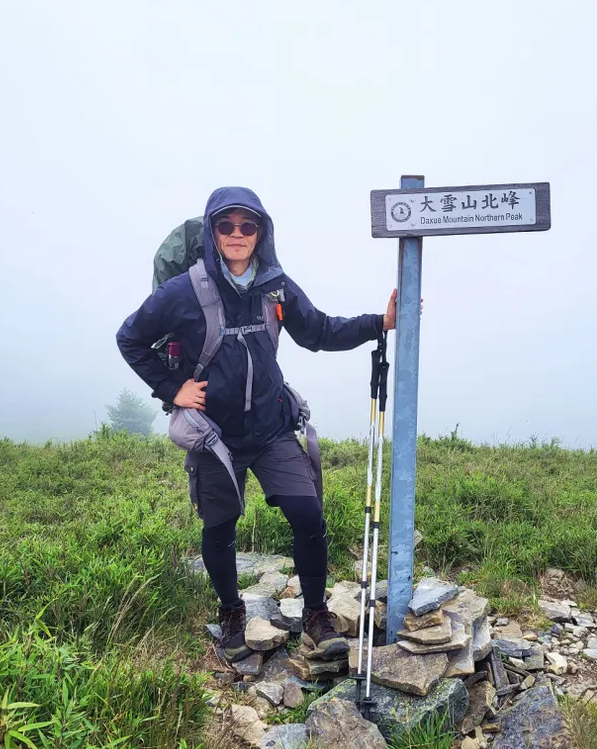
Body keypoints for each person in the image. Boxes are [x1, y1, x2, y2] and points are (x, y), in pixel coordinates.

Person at [116, 186, 396, 662]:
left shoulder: (275, 286)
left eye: (248, 226)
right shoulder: (183, 290)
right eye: (227, 225)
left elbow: (320, 331)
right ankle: (230, 610)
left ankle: (315, 614)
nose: (238, 234)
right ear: (212, 232)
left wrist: (378, 322)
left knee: (308, 516)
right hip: (215, 436)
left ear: (261, 232)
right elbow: (130, 338)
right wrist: (172, 389)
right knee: (220, 526)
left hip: (271, 428)